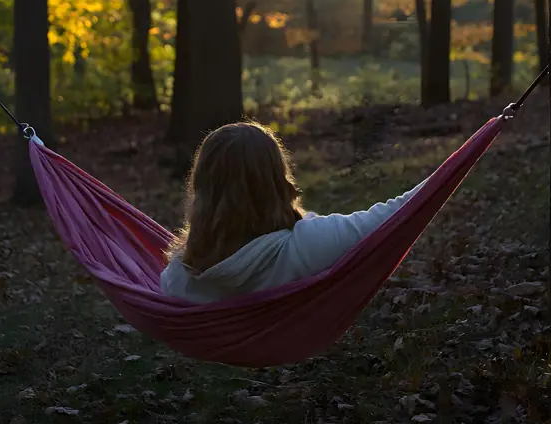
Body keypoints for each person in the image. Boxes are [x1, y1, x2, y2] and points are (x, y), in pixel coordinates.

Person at [160, 121, 426, 304]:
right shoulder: (308, 245)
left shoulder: (178, 279)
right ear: (276, 180)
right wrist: (456, 166)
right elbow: (393, 214)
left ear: (203, 187)